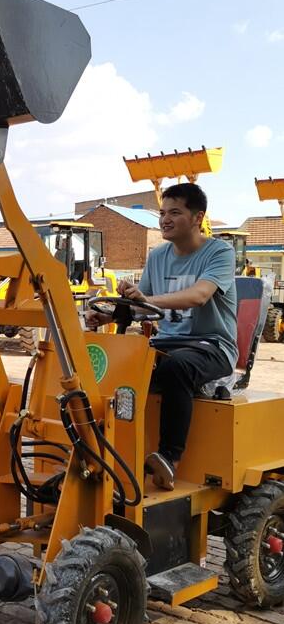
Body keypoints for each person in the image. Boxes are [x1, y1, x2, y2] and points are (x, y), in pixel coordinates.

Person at [86, 183, 237, 490]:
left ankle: (170, 457)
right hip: (165, 344)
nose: (165, 220)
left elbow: (198, 296)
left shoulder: (219, 252)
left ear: (197, 218)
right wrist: (110, 314)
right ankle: (107, 454)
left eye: (175, 213)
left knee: (176, 367)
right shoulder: (158, 257)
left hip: (212, 346)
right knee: (116, 368)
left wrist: (147, 299)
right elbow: (143, 307)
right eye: (163, 213)